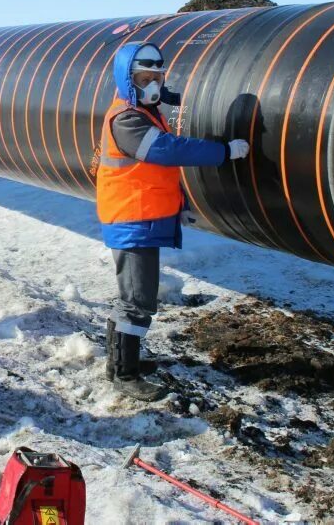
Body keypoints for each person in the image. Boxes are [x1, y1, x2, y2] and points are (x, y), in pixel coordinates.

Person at [97, 42, 250, 401]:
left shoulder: (146, 113)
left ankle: (120, 361)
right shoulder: (127, 119)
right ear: (127, 79)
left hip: (142, 216)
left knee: (133, 298)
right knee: (136, 301)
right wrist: (224, 151)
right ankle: (124, 372)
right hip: (131, 220)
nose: (152, 83)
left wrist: (174, 206)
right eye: (144, 77)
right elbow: (167, 151)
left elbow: (149, 175)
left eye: (156, 76)